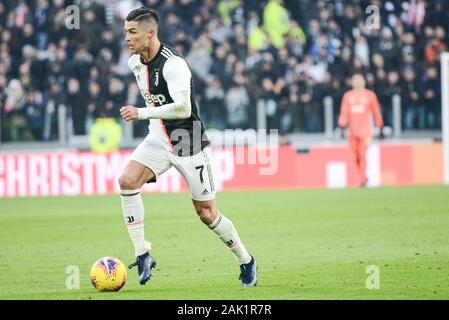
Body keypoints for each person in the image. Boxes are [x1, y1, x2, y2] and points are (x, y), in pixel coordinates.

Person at [118, 7, 257, 287]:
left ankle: (245, 259)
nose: (127, 38)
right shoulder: (135, 62)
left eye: (132, 32)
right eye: (126, 32)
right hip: (158, 138)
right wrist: (149, 118)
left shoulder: (174, 64)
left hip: (188, 141)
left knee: (207, 213)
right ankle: (142, 253)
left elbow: (182, 107)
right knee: (127, 180)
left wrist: (141, 112)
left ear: (150, 33)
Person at [338, 73, 384, 187]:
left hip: (366, 131)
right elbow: (344, 112)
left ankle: (362, 179)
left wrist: (380, 126)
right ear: (352, 82)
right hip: (352, 131)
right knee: (355, 156)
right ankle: (362, 176)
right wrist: (342, 126)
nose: (358, 82)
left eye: (360, 80)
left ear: (364, 82)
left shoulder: (370, 95)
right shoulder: (348, 96)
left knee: (362, 154)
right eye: (355, 80)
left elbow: (376, 111)